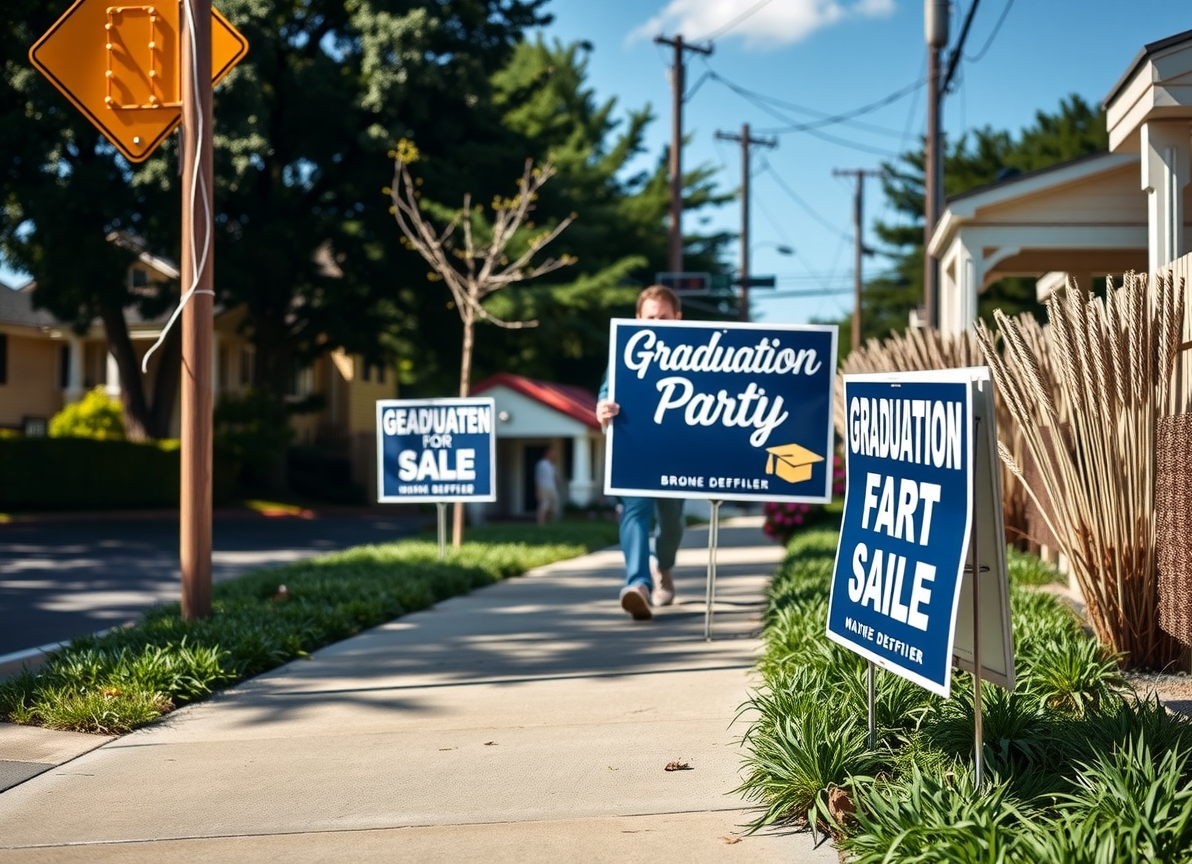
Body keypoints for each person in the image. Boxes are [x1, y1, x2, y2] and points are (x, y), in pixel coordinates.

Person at [596, 285, 685, 621]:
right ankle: (638, 585)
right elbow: (606, 394)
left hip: (676, 456)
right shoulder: (623, 354)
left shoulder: (700, 353)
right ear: (638, 319)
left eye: (664, 317)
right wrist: (602, 410)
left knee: (672, 523)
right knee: (635, 509)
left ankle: (664, 569)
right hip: (635, 452)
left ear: (677, 318)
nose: (657, 322)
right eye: (651, 317)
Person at [535, 446, 559, 525]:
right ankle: (540, 523)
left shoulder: (552, 465)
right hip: (543, 487)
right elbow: (538, 478)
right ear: (547, 453)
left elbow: (555, 477)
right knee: (544, 505)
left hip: (552, 487)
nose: (554, 455)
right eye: (552, 453)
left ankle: (550, 522)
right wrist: (538, 491)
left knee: (553, 506)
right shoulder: (541, 464)